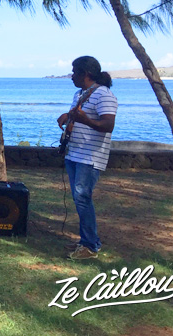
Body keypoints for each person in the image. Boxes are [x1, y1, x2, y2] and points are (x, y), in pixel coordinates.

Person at [57, 56, 116, 260]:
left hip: (90, 156)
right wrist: (68, 116)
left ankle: (90, 245)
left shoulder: (104, 95)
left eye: (75, 72)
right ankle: (86, 240)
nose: (72, 76)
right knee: (78, 198)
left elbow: (108, 125)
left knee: (83, 197)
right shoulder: (80, 94)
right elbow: (80, 117)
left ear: (86, 74)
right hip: (75, 153)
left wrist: (85, 120)